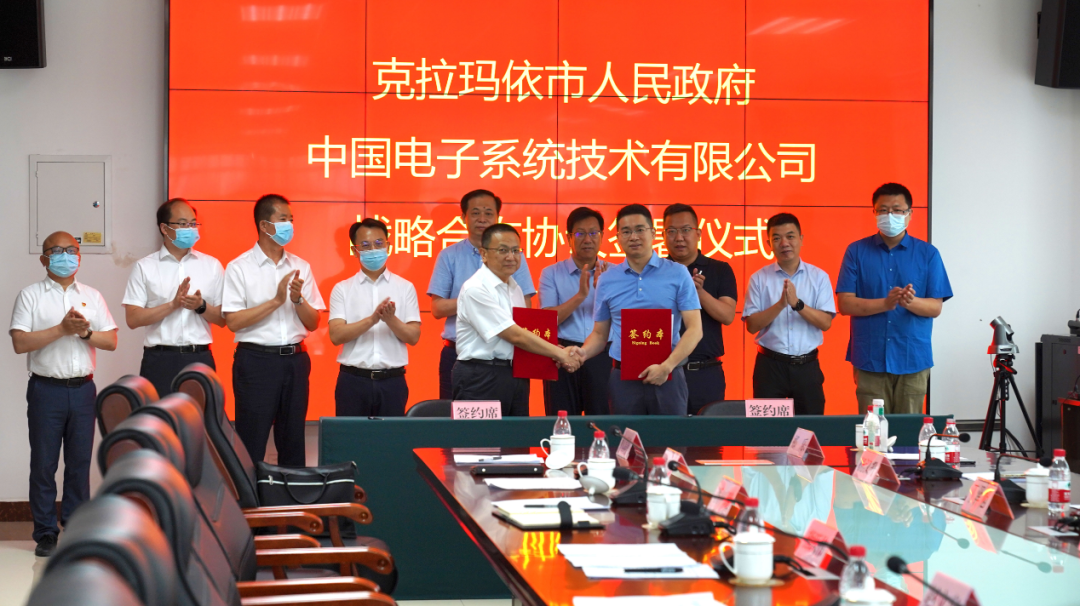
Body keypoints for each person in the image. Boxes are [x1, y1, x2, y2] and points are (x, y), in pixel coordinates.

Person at [9, 232, 118, 557]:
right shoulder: (30, 295)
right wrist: (61, 329)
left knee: (79, 463)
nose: (66, 255)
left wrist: (84, 332)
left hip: (83, 389)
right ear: (44, 258)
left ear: (79, 256)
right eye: (57, 250)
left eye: (72, 250)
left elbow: (111, 341)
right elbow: (20, 343)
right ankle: (45, 533)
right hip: (46, 390)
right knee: (44, 464)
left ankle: (76, 528)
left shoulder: (92, 296)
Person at [222, 194, 325, 465]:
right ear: (264, 225)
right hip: (256, 362)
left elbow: (313, 323)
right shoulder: (239, 267)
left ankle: (292, 492)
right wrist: (276, 301)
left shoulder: (301, 266)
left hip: (295, 361)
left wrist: (297, 300)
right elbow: (233, 321)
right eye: (283, 219)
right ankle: (249, 493)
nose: (289, 225)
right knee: (251, 439)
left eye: (291, 219)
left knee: (293, 439)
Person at [572, 204, 702, 415]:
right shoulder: (607, 280)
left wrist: (667, 366)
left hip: (668, 375)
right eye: (626, 231)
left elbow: (695, 329)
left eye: (640, 229)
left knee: (670, 437)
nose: (633, 237)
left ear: (653, 233)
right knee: (625, 436)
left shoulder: (678, 274)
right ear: (618, 238)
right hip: (623, 379)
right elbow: (600, 334)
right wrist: (583, 353)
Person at [836, 183, 953, 415]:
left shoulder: (928, 254)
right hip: (870, 359)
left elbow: (935, 308)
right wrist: (885, 304)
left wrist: (910, 302)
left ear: (909, 214)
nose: (890, 216)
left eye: (897, 210)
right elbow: (845, 303)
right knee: (872, 432)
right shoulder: (856, 251)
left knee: (908, 432)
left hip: (912, 358)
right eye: (883, 210)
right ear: (874, 212)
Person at [454, 224, 580, 416]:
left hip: (515, 375)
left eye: (515, 250)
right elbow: (514, 335)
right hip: (479, 377)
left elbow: (523, 334)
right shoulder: (475, 289)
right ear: (483, 253)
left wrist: (552, 352)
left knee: (517, 434)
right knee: (478, 435)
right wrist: (559, 354)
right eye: (503, 250)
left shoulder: (515, 288)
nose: (511, 257)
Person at [429, 190, 535, 400]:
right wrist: (477, 301)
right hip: (460, 355)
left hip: (508, 356)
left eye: (488, 213)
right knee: (460, 418)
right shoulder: (449, 256)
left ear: (498, 217)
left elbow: (525, 306)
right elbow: (437, 308)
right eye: (476, 213)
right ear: (464, 217)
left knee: (512, 417)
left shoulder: (513, 257)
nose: (482, 218)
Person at [123, 198, 225, 397]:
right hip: (159, 360)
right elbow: (133, 319)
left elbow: (223, 319)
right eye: (183, 224)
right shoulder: (145, 267)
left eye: (193, 223)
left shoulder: (212, 266)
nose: (190, 229)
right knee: (158, 416)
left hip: (199, 358)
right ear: (164, 228)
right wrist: (172, 305)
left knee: (201, 416)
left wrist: (201, 306)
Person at [743, 213, 835, 415]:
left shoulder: (819, 277)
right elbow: (751, 326)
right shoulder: (758, 278)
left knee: (809, 429)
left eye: (790, 236)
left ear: (801, 239)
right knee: (768, 430)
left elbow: (826, 323)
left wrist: (797, 304)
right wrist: (780, 305)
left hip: (807, 367)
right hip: (769, 367)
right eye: (777, 238)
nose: (784, 243)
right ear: (769, 244)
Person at [328, 219, 421, 417]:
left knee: (390, 436)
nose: (373, 250)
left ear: (388, 246)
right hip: (353, 381)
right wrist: (372, 320)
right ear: (355, 251)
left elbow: (413, 337)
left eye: (379, 244)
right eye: (365, 245)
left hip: (392, 382)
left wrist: (390, 320)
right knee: (350, 436)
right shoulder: (342, 289)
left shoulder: (405, 287)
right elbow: (336, 335)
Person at [663, 203, 738, 414]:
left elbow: (727, 315)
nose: (679, 238)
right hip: (666, 372)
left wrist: (698, 292)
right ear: (663, 235)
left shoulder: (720, 269)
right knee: (666, 433)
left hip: (706, 373)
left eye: (686, 230)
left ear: (698, 233)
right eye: (672, 231)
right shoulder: (655, 271)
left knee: (708, 433)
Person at [538, 207, 612, 416]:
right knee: (562, 421)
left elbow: (625, 320)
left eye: (593, 233)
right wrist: (580, 295)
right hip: (561, 354)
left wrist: (603, 291)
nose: (587, 239)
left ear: (602, 236)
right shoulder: (551, 273)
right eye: (580, 233)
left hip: (603, 355)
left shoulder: (614, 272)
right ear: (568, 237)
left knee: (603, 420)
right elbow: (547, 321)